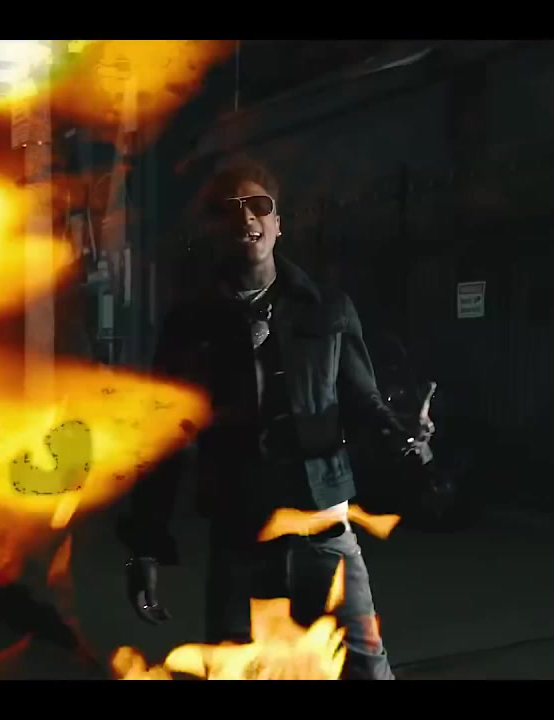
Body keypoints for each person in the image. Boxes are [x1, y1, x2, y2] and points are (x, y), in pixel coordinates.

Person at [119, 157, 432, 680]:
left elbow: (364, 405)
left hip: (325, 530)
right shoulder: (191, 324)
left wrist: (403, 433)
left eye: (259, 205)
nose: (247, 217)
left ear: (278, 223)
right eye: (231, 209)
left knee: (366, 671)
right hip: (242, 536)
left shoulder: (327, 308)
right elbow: (163, 440)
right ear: (216, 228)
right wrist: (144, 548)